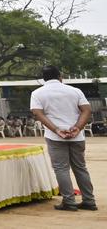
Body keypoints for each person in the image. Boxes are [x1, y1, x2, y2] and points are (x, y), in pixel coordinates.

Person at [30, 65, 97, 212]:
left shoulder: (37, 93)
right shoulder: (75, 91)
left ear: (43, 79)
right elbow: (87, 110)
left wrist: (56, 130)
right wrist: (77, 127)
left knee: (61, 169)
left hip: (55, 137)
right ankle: (89, 200)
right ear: (60, 77)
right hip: (77, 136)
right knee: (80, 168)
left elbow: (38, 113)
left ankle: (69, 202)